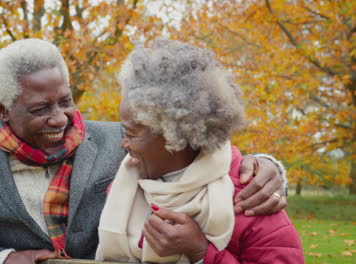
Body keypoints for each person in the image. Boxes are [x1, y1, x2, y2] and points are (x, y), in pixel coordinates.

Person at [0, 38, 287, 264]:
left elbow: (192, 143)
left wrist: (265, 165)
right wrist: (2, 259)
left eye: (65, 101)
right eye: (39, 110)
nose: (59, 119)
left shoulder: (115, 139)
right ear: (2, 109)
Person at [96, 39, 304, 264]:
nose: (123, 144)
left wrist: (202, 253)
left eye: (131, 134)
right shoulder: (123, 185)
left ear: (174, 136)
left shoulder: (251, 200)